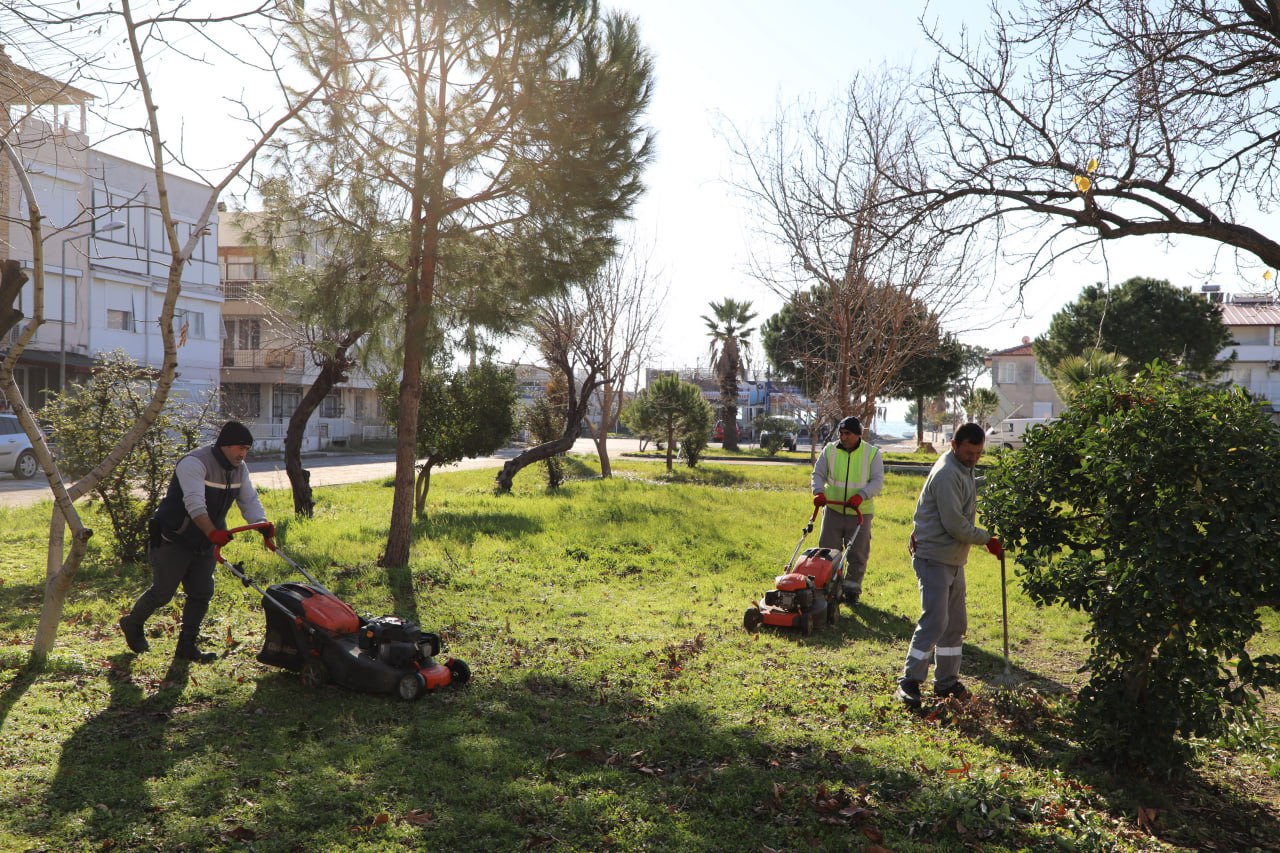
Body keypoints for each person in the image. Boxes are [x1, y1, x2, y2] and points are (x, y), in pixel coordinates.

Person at [119, 421, 274, 663]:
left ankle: (186, 646)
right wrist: (212, 533)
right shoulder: (194, 463)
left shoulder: (239, 469)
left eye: (247, 449)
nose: (243, 454)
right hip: (174, 537)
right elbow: (194, 504)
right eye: (240, 448)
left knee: (202, 593)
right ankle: (132, 623)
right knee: (162, 593)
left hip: (206, 541)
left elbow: (249, 500)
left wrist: (261, 524)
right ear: (225, 445)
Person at [896, 422, 1002, 708]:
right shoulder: (946, 474)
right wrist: (987, 539)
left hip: (954, 559)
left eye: (978, 454)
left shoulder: (964, 470)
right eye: (969, 453)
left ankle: (946, 683)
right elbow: (955, 524)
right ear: (954, 445)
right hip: (934, 558)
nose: (974, 459)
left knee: (955, 624)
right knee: (935, 621)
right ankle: (909, 681)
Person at [810, 415, 884, 605]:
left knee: (858, 554)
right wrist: (818, 492)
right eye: (841, 433)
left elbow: (877, 482)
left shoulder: (872, 454)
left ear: (858, 434)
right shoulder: (830, 450)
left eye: (848, 434)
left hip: (860, 513)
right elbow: (818, 474)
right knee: (827, 552)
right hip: (834, 509)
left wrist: (862, 495)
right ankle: (828, 589)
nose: (843, 437)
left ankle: (851, 591)